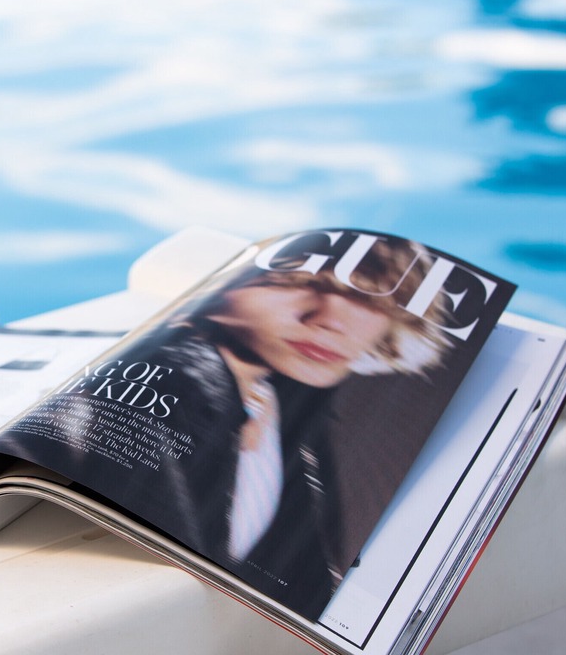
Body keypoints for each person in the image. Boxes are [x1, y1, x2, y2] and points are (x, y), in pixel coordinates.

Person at [117, 233, 454, 621]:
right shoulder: (174, 382)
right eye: (304, 284)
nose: (331, 321)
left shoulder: (285, 401)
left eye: (373, 300)